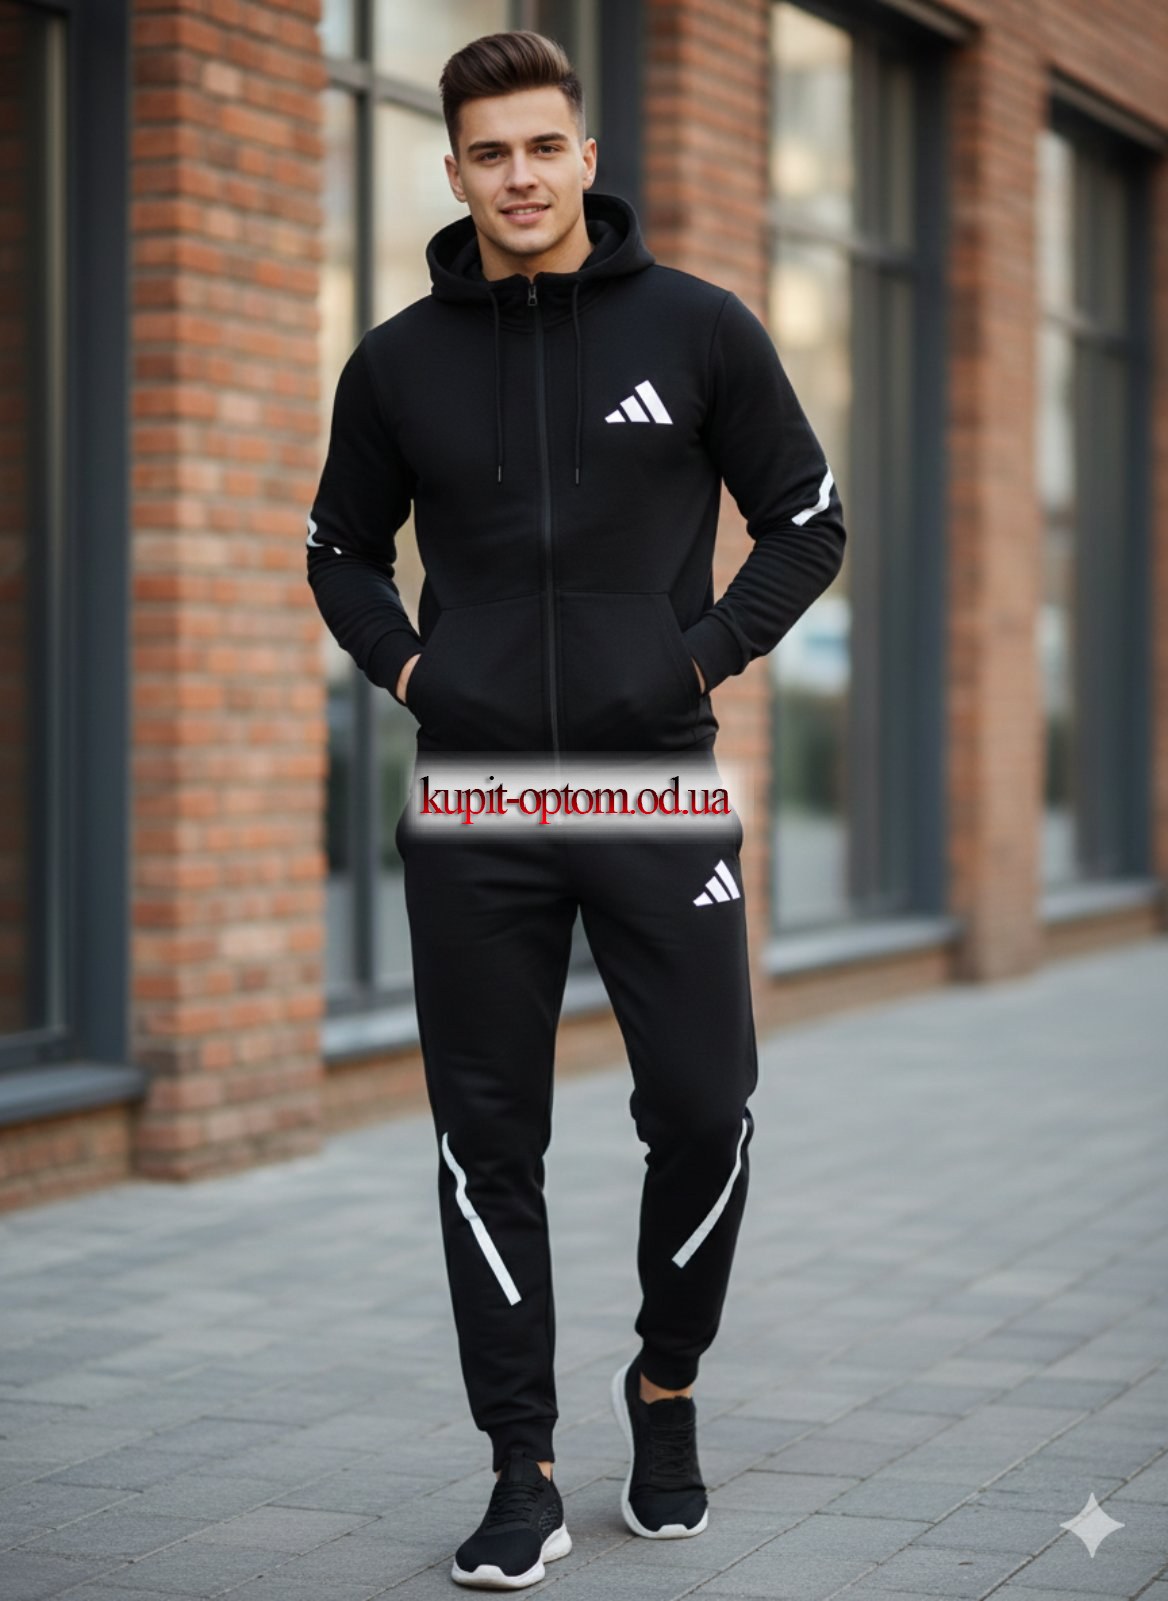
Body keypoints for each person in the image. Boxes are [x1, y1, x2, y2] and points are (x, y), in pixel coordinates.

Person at [306, 28, 846, 1591]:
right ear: (454, 168)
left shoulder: (699, 328)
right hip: (475, 796)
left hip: (651, 780)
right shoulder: (396, 361)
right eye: (489, 153)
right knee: (487, 1137)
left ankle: (664, 1385)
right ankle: (520, 1463)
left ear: (585, 157)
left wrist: (692, 658)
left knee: (705, 1106)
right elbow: (339, 550)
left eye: (544, 146)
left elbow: (807, 522)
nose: (520, 176)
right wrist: (418, 672)